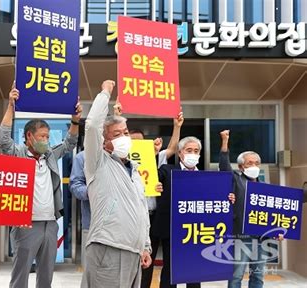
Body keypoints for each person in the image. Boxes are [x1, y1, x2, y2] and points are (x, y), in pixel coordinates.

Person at [81, 80, 163, 288]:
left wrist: (145, 246)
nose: (124, 137)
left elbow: (141, 209)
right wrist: (105, 93)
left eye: (125, 132)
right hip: (108, 248)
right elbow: (91, 126)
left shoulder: (134, 170)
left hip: (133, 252)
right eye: (116, 135)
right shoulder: (97, 162)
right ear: (104, 142)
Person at [0, 84, 81, 288]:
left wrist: (75, 119)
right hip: (25, 225)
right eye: (41, 136)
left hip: (50, 224)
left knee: (46, 274)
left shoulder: (50, 155)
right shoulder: (17, 153)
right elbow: (3, 140)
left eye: (47, 136)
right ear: (29, 137)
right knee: (21, 273)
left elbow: (70, 143)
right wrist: (10, 105)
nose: (45, 139)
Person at [154, 135, 235, 288]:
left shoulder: (206, 177)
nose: (192, 153)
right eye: (188, 150)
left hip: (196, 232)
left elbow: (217, 199)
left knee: (194, 272)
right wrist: (156, 184)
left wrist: (228, 197)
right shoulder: (167, 170)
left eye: (196, 151)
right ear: (180, 153)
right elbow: (150, 179)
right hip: (172, 231)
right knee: (170, 271)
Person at [219, 130, 282, 288]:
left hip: (261, 239)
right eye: (249, 163)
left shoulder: (265, 188)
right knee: (236, 276)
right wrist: (225, 141)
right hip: (242, 237)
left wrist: (278, 231)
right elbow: (224, 165)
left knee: (258, 276)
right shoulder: (236, 180)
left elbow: (274, 214)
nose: (254, 166)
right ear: (241, 166)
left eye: (256, 163)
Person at [69, 101, 123, 270]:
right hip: (93, 224)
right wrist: (93, 191)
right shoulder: (82, 158)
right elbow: (75, 185)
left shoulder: (121, 157)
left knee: (116, 273)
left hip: (120, 224)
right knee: (93, 273)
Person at [136, 113, 184, 288]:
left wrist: (177, 126)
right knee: (143, 261)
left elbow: (172, 148)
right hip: (138, 217)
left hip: (158, 215)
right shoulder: (123, 160)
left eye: (140, 141)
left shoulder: (154, 155)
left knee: (166, 258)